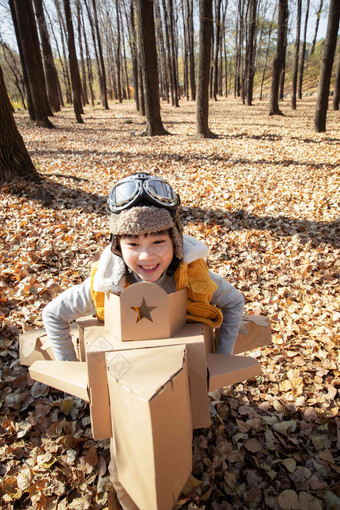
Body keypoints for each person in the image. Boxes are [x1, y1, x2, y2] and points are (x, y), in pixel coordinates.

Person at [42, 172, 244, 509]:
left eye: (158, 242)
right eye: (133, 244)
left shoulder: (192, 275)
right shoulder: (106, 282)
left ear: (176, 241)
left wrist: (218, 360)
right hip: (123, 386)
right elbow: (53, 315)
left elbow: (233, 302)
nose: (146, 257)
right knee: (131, 461)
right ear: (118, 245)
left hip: (179, 380)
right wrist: (77, 377)